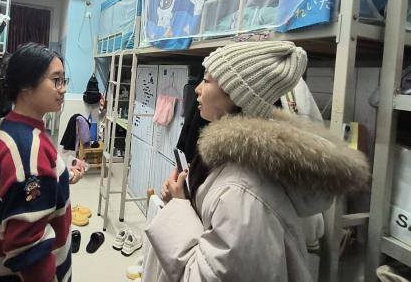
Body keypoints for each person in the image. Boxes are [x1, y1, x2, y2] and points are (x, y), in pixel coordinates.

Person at [143, 41, 370, 282]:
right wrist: (183, 196)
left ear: (236, 95)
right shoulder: (229, 158)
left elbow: (207, 276)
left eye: (207, 81)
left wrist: (179, 207)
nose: (197, 89)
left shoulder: (242, 191)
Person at [0, 42, 81, 282]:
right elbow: (27, 250)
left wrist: (63, 175)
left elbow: (27, 181)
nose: (63, 89)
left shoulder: (13, 126)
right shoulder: (28, 148)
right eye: (56, 80)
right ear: (26, 85)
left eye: (64, 80)